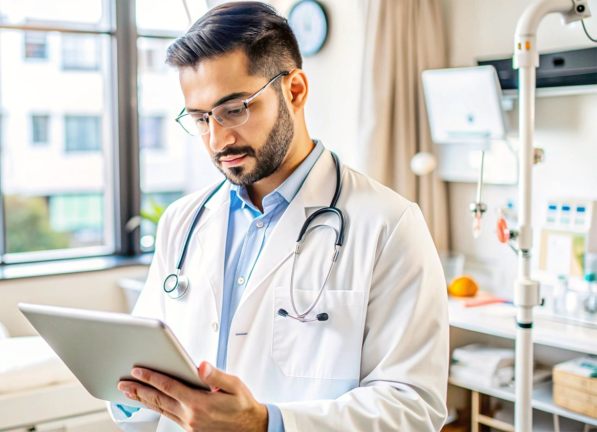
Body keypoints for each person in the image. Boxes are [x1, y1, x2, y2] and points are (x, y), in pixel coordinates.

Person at [108, 2, 448, 431]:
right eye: (199, 118)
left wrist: (266, 424)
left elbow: (413, 405)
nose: (217, 140)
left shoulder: (389, 225)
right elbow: (141, 370)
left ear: (296, 90)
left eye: (235, 110)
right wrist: (128, 397)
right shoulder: (183, 220)